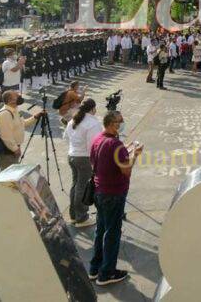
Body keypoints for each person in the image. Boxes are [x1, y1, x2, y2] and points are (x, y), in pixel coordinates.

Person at [89, 110, 144, 285]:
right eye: (119, 121)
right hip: (114, 193)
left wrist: (125, 150)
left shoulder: (98, 139)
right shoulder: (115, 145)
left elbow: (98, 160)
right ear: (112, 124)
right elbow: (126, 170)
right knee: (112, 233)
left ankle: (95, 267)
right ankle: (107, 273)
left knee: (100, 230)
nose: (122, 123)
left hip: (99, 191)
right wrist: (134, 154)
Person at [63, 98, 101, 227]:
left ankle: (74, 215)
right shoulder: (93, 123)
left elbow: (66, 138)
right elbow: (93, 146)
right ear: (93, 109)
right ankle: (82, 218)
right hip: (84, 158)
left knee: (75, 185)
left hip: (72, 156)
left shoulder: (73, 120)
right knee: (82, 187)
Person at [0, 89, 44, 171]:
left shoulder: (14, 110)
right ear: (10, 100)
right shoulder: (5, 114)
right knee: (9, 174)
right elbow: (6, 136)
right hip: (7, 152)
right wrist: (15, 149)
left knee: (11, 173)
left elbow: (22, 124)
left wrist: (35, 117)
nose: (20, 96)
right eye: (17, 96)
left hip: (12, 149)